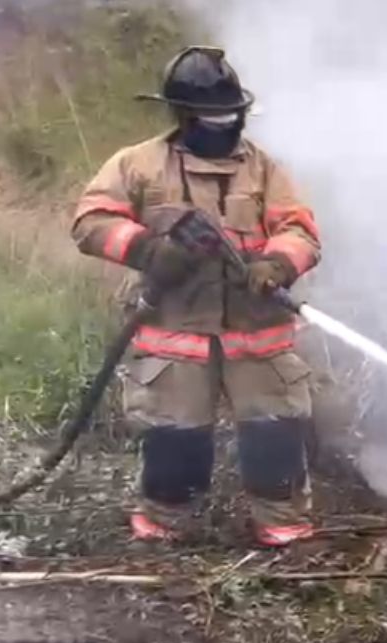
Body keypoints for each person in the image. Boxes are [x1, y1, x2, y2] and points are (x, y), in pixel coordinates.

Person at [71, 46, 321, 547]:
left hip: (257, 332)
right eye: (211, 117)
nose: (223, 126)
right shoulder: (137, 165)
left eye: (232, 116)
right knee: (174, 436)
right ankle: (166, 524)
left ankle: (282, 525)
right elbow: (90, 221)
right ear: (182, 115)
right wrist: (148, 250)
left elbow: (299, 228)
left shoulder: (265, 171)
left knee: (275, 432)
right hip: (174, 332)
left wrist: (276, 264)